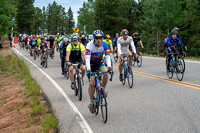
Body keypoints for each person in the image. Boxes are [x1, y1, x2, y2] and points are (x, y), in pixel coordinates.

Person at [86, 30, 112, 113]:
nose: (98, 40)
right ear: (94, 38)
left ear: (102, 39)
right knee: (92, 83)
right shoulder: (89, 45)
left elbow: (107, 57)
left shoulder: (105, 44)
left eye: (100, 38)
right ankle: (91, 101)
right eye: (96, 38)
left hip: (100, 63)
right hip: (91, 65)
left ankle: (102, 90)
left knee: (106, 73)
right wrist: (89, 70)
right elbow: (87, 59)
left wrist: (109, 67)